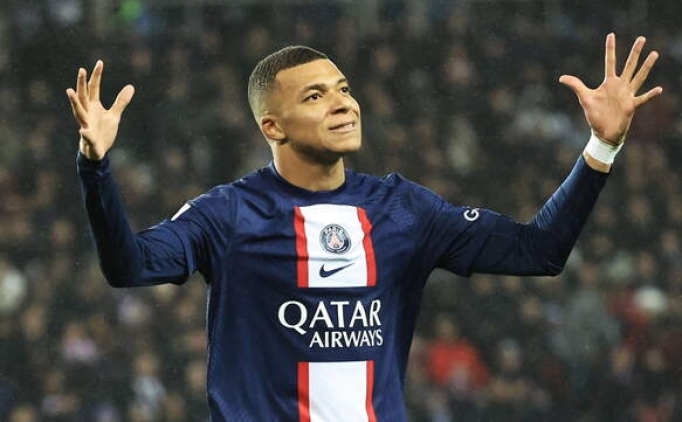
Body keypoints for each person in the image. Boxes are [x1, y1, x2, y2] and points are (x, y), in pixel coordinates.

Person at [66, 33, 662, 421]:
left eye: (345, 90)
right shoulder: (227, 214)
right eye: (316, 96)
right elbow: (129, 266)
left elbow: (538, 252)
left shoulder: (403, 210)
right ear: (273, 126)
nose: (344, 104)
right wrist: (96, 166)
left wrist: (601, 148)